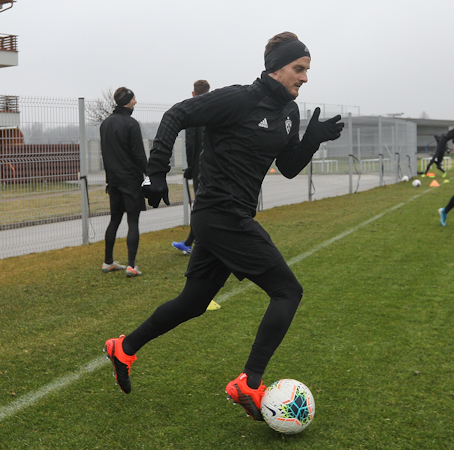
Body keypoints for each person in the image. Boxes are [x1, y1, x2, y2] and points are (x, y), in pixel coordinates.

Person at [103, 32, 344, 421]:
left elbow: (286, 167)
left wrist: (312, 140)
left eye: (307, 70)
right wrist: (157, 172)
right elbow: (176, 114)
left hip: (232, 216)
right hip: (220, 213)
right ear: (276, 67)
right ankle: (249, 382)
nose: (304, 77)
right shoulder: (240, 99)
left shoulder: (289, 113)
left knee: (193, 303)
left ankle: (124, 348)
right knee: (287, 291)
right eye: (299, 69)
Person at [100, 87, 147, 277]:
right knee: (133, 220)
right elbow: (139, 154)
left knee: (115, 219)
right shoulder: (131, 124)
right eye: (134, 98)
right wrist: (150, 174)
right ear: (127, 101)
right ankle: (131, 265)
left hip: (113, 181)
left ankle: (108, 261)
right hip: (131, 180)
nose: (136, 101)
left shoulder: (105, 124)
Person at [171, 79, 210, 255]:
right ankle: (192, 241)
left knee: (200, 204)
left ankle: (193, 242)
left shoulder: (193, 113)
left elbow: (191, 143)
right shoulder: (217, 109)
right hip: (215, 164)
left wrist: (190, 167)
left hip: (200, 166)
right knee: (208, 203)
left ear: (193, 94)